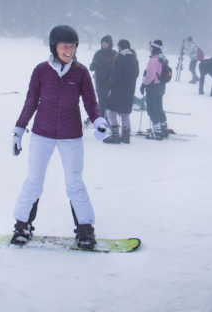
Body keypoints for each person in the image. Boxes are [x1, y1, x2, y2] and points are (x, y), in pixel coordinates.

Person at [10, 25, 107, 249]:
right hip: (41, 134)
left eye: (72, 47)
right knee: (33, 182)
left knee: (74, 183)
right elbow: (31, 102)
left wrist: (98, 121)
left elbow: (90, 103)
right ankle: (22, 226)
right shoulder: (41, 71)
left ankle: (85, 230)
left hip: (70, 135)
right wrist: (19, 129)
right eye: (65, 47)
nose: (69, 51)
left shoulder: (81, 72)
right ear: (54, 47)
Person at [104, 39, 139, 144]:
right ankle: (126, 135)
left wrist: (110, 84)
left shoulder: (120, 58)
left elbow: (116, 75)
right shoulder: (134, 59)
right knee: (125, 113)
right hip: (129, 90)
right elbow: (136, 74)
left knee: (110, 111)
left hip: (118, 89)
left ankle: (115, 135)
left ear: (120, 47)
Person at [140, 39, 168, 139]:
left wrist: (143, 84)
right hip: (161, 86)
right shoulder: (162, 58)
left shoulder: (154, 59)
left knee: (151, 108)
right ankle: (163, 126)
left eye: (151, 47)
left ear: (154, 47)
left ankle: (157, 130)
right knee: (159, 107)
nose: (149, 48)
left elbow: (150, 76)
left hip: (153, 86)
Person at [89, 35, 117, 117]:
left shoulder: (113, 54)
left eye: (106, 43)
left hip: (110, 80)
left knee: (107, 101)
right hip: (99, 80)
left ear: (110, 44)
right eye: (103, 42)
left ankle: (106, 119)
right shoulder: (98, 53)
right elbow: (91, 67)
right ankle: (101, 118)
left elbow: (117, 67)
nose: (104, 44)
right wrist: (94, 64)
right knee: (101, 100)